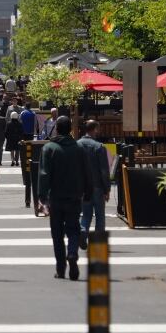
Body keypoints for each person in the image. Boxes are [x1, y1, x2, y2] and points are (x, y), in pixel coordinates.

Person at [38, 116, 92, 280]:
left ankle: (61, 267)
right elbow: (87, 172)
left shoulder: (49, 148)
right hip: (75, 196)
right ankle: (73, 254)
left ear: (57, 129)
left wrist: (42, 196)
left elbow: (44, 174)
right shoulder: (79, 148)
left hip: (55, 196)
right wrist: (88, 191)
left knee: (57, 233)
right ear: (70, 129)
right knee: (73, 228)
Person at [77, 120, 111, 248]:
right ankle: (97, 243)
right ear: (94, 129)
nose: (99, 131)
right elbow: (104, 170)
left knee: (86, 214)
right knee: (100, 215)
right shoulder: (99, 147)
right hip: (97, 186)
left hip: (83, 187)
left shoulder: (77, 145)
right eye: (98, 129)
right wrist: (107, 189)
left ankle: (83, 231)